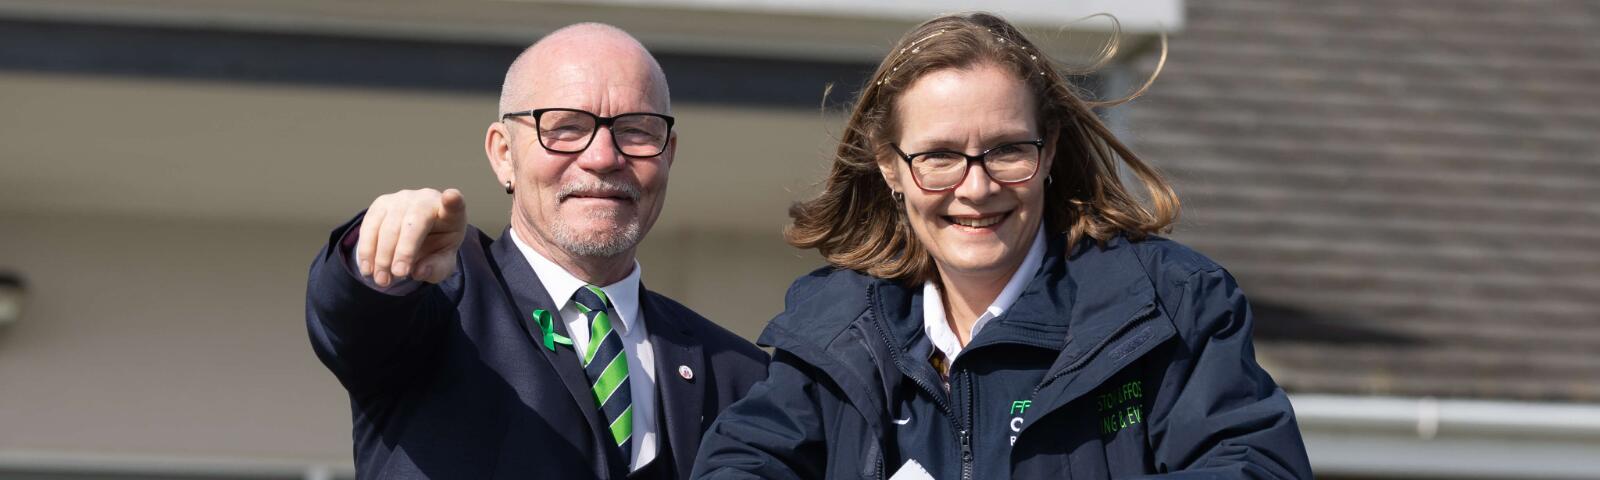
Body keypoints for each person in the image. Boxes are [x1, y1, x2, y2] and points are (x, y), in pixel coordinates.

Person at [692, 13, 1312, 479]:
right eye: (939, 156)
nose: (977, 187)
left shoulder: (1170, 305)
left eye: (1008, 150)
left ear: (1050, 150)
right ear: (889, 166)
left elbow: (1254, 466)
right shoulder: (831, 331)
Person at [306, 23, 768, 480]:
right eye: (567, 128)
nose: (603, 158)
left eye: (635, 131)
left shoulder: (739, 375)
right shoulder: (440, 299)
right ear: (504, 154)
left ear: (668, 154)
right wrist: (381, 251)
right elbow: (350, 314)